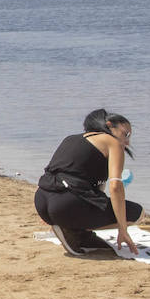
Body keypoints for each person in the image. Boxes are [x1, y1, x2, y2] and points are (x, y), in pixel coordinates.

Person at [33, 108, 142, 256]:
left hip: (41, 201)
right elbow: (116, 186)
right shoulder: (111, 142)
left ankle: (74, 229)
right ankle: (73, 231)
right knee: (138, 213)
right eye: (126, 134)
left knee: (93, 203)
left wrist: (53, 212)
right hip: (67, 205)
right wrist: (123, 229)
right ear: (109, 125)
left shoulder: (71, 138)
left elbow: (94, 189)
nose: (127, 142)